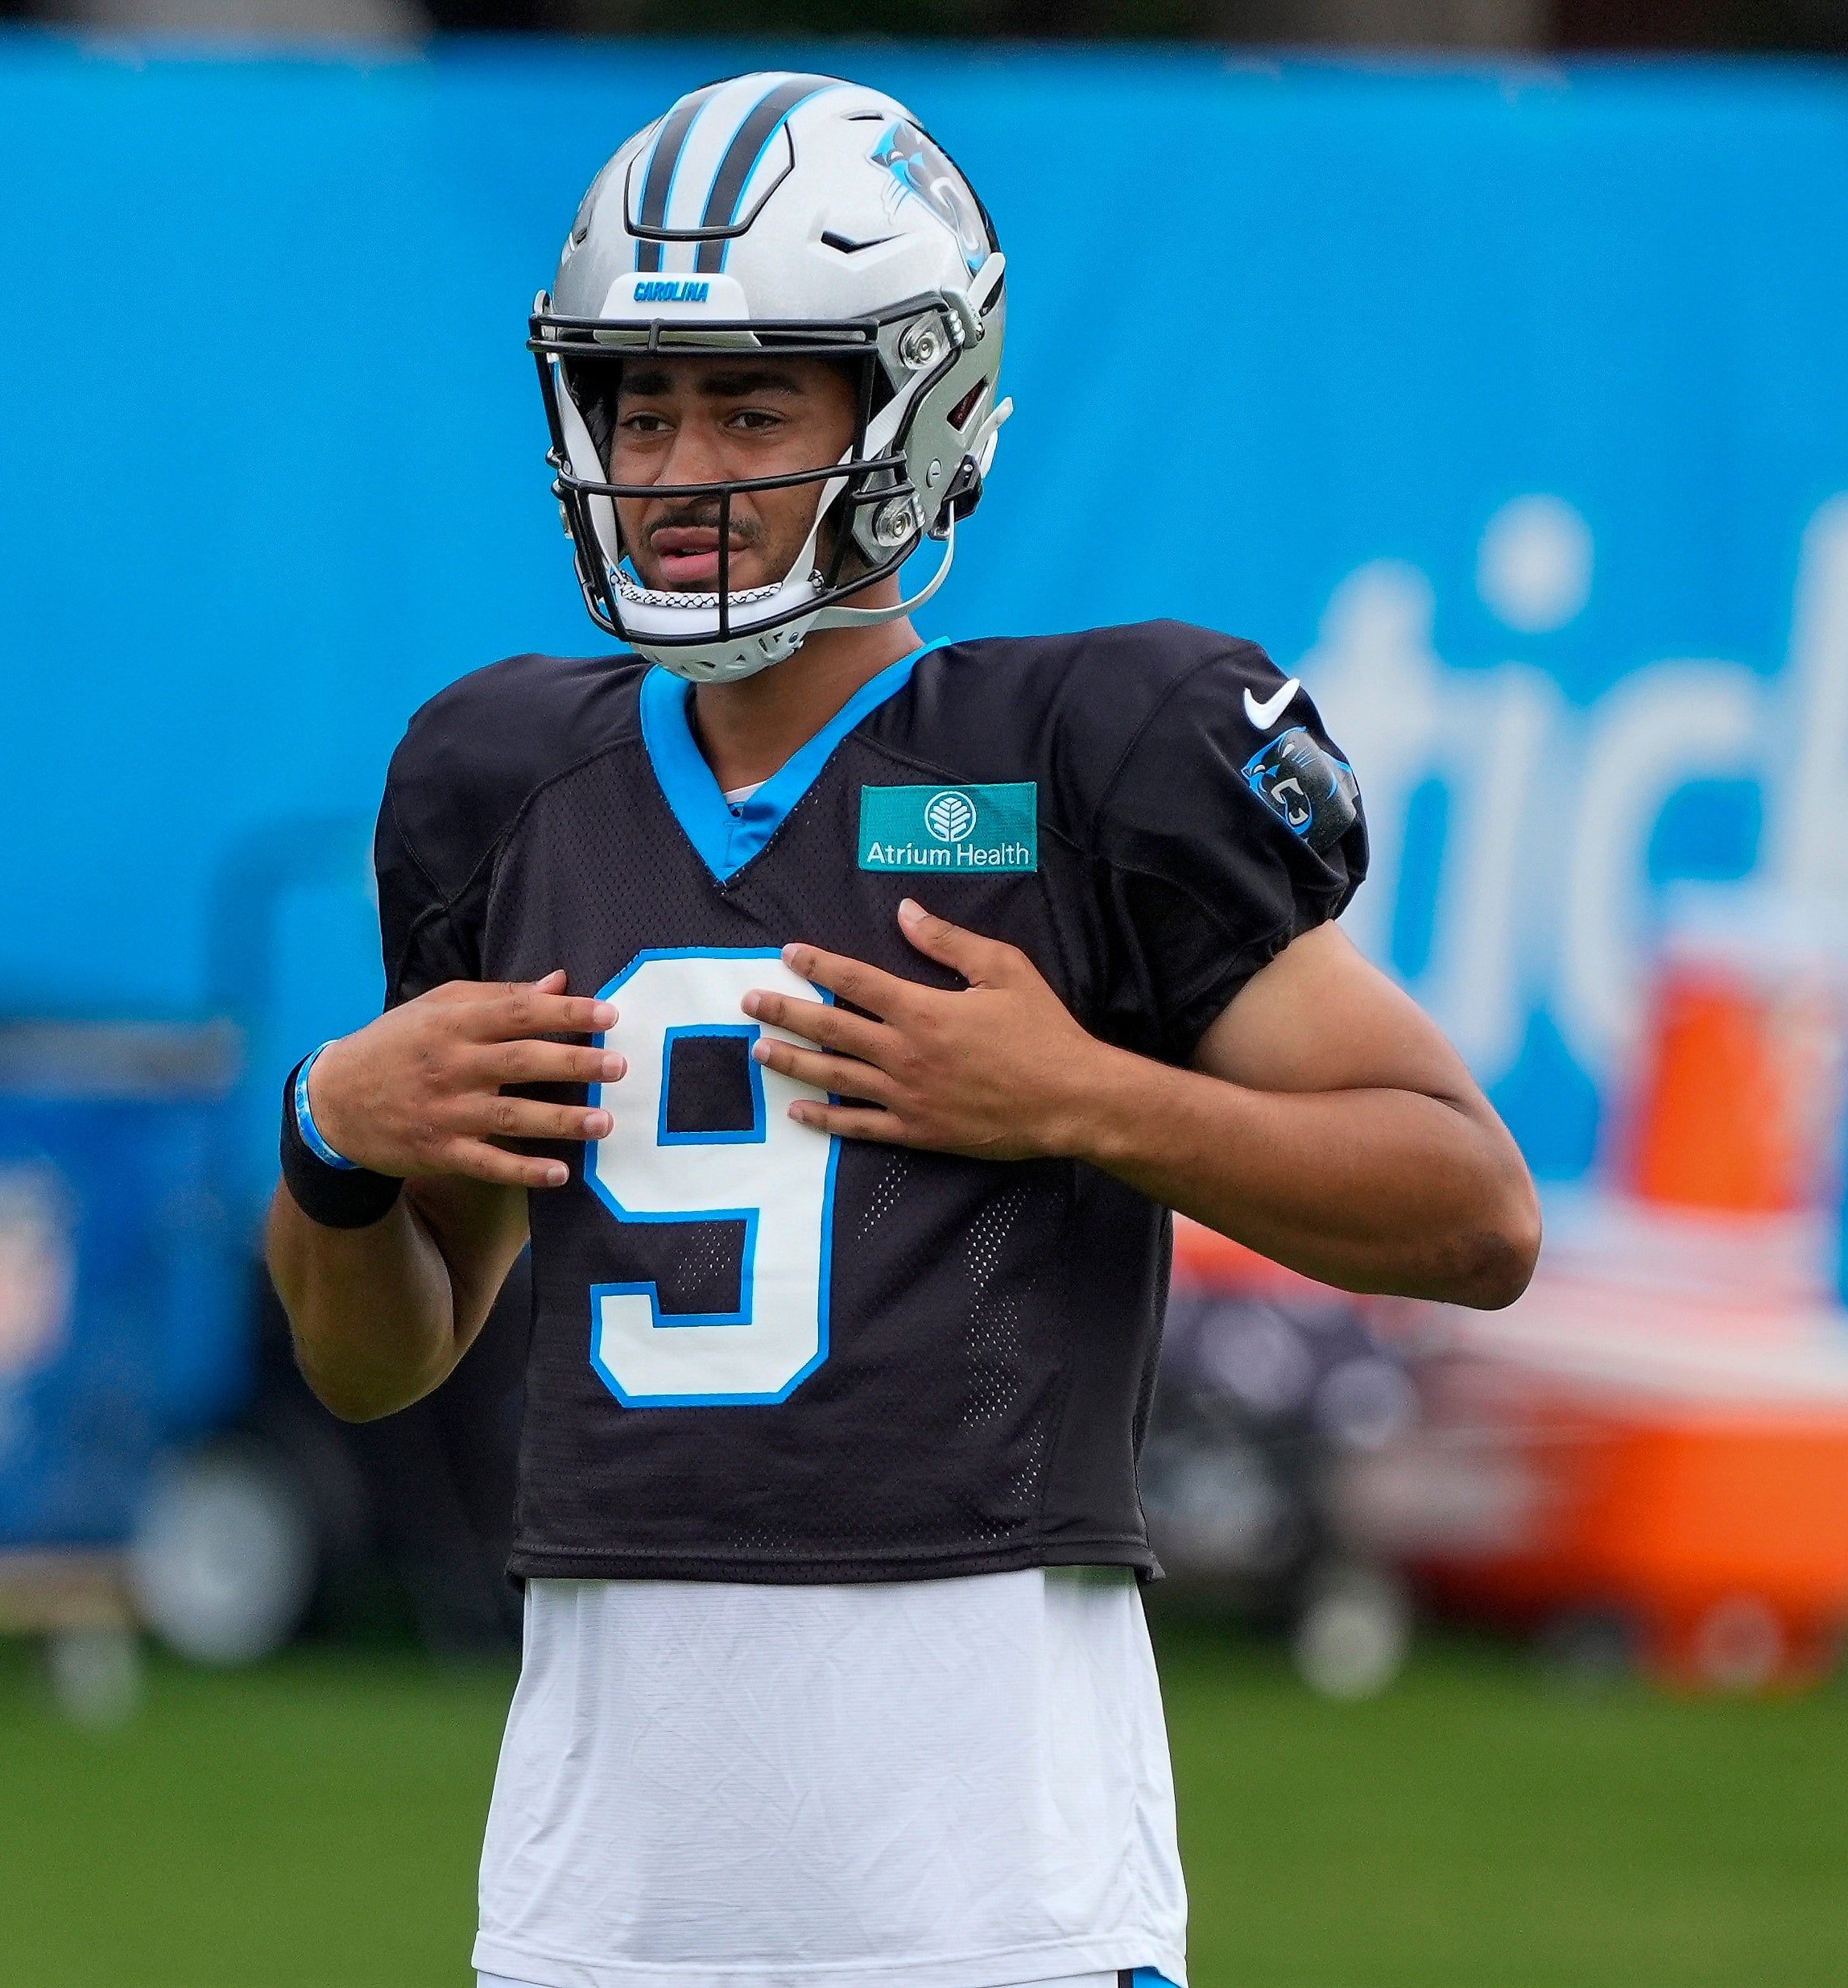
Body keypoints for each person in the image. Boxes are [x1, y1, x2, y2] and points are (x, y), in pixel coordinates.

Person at [267, 72, 1540, 1988]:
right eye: (642, 398)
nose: (680, 459)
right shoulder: (508, 782)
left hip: (990, 1870)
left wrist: (1087, 1099)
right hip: (603, 1877)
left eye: (753, 400)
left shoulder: (1086, 762)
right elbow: (382, 1364)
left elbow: (1476, 1208)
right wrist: (330, 1145)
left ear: (913, 407)